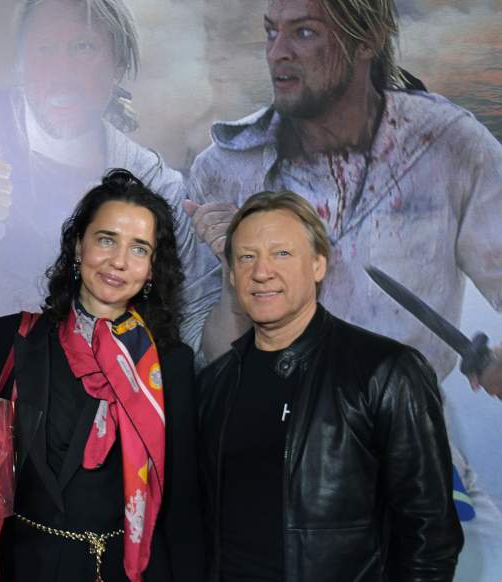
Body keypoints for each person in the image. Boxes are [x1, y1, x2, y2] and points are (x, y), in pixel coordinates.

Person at [196, 190, 462, 582]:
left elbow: (431, 535)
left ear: (319, 264)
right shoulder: (214, 387)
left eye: (282, 253)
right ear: (230, 274)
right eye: (246, 257)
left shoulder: (386, 373)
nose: (261, 271)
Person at [186, 0, 502, 398]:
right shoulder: (225, 169)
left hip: (405, 423)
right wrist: (234, 280)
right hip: (274, 423)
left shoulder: (446, 144)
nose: (277, 52)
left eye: (304, 32)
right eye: (271, 32)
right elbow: (214, 362)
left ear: (367, 38)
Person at [0, 169, 205, 582]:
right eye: (106, 239)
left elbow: (184, 508)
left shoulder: (170, 365)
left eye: (139, 249)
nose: (118, 261)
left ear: (152, 269)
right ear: (78, 247)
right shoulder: (13, 338)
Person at [0, 0, 218, 356]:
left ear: (119, 64)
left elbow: (195, 322)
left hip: (89, 381)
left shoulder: (150, 182)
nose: (61, 71)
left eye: (83, 47)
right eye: (44, 49)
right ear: (20, 64)